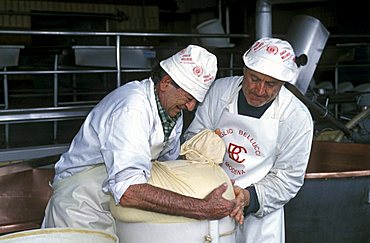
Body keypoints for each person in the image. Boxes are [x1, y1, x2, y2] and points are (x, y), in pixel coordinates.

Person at [41, 44, 237, 235]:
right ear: (166, 82)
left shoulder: (171, 112)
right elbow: (128, 191)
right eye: (188, 97)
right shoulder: (132, 108)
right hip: (80, 205)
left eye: (196, 100)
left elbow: (164, 172)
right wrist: (201, 208)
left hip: (112, 208)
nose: (191, 107)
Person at [184, 37, 314, 243]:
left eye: (271, 84)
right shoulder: (219, 92)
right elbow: (191, 141)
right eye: (254, 79)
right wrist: (207, 146)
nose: (260, 90)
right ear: (244, 70)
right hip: (208, 198)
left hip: (260, 218)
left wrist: (248, 198)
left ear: (283, 84)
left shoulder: (296, 117)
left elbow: (288, 178)